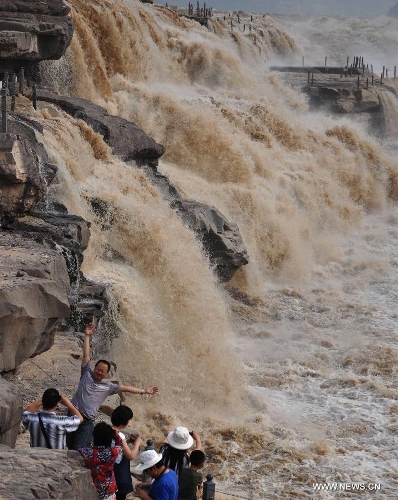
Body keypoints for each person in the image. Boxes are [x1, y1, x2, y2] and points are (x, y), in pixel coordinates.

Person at [68, 323, 158, 450]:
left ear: (106, 374)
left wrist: (144, 391)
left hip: (87, 421)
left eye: (102, 371)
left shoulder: (108, 386)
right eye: (98, 369)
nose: (99, 372)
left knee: (79, 448)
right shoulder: (86, 374)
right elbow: (86, 355)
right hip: (72, 414)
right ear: (94, 368)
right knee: (68, 444)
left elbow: (126, 388)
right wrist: (87, 336)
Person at [79, 421, 123, 500]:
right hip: (108, 492)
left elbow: (76, 451)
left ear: (94, 436)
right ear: (109, 439)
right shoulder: (112, 453)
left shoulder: (86, 452)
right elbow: (120, 444)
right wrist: (116, 436)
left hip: (92, 491)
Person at [111, 405, 143, 500]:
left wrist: (128, 441)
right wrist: (137, 443)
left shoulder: (107, 430)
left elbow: (115, 446)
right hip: (120, 473)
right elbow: (131, 456)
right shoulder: (120, 436)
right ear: (125, 422)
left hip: (111, 467)